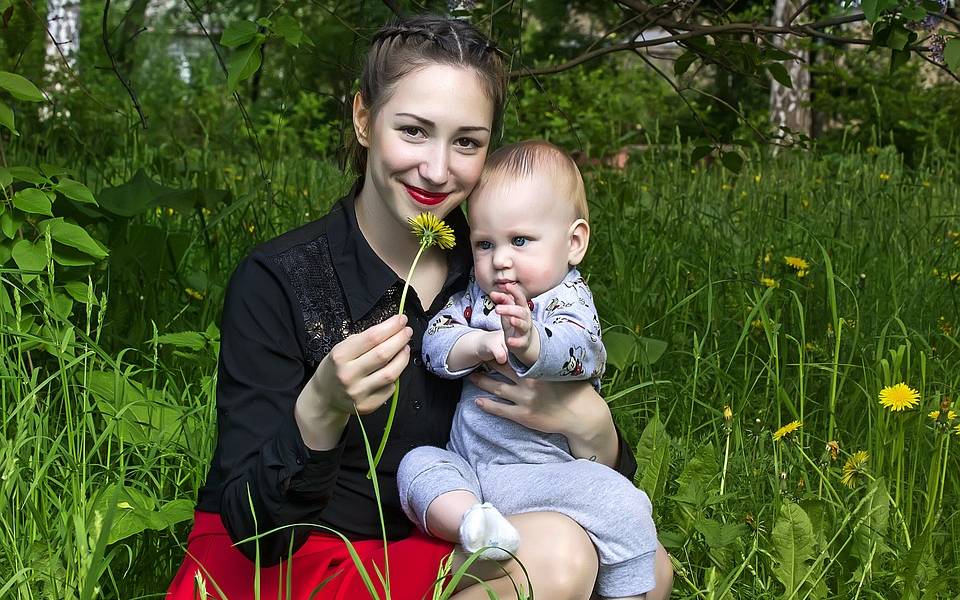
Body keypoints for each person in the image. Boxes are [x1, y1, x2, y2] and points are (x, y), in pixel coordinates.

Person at [166, 13, 673, 600]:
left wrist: (596, 431)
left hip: (449, 529)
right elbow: (254, 532)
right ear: (363, 118)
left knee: (649, 566)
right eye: (412, 130)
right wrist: (321, 411)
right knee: (557, 557)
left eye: (466, 142)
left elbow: (581, 474)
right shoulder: (282, 279)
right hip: (297, 556)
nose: (436, 169)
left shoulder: (496, 265)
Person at [397, 140, 659, 600]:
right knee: (417, 467)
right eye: (485, 243)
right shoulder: (479, 298)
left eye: (520, 241)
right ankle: (473, 524)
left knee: (619, 502)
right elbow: (436, 341)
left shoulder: (567, 301)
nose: (500, 259)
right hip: (469, 465)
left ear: (573, 243)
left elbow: (583, 350)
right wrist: (477, 343)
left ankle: (627, 593)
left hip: (536, 468)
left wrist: (531, 342)